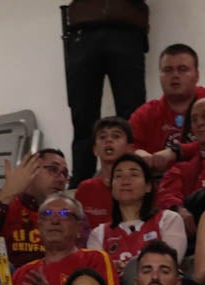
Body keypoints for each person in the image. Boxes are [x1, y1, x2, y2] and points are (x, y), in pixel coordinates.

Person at [62, 1, 149, 184]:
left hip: (121, 27)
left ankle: (132, 175)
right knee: (83, 115)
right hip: (89, 29)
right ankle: (82, 184)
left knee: (133, 117)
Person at [6, 195, 121, 285]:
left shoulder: (95, 259)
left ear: (79, 227)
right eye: (47, 214)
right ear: (39, 226)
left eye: (64, 213)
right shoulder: (21, 274)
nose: (54, 220)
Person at [126, 44, 205, 171]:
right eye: (168, 70)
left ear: (197, 75)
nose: (175, 75)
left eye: (183, 69)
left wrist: (178, 151)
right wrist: (137, 154)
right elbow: (125, 145)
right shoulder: (146, 113)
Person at [0, 149, 72, 271]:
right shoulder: (5, 206)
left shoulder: (70, 214)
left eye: (65, 174)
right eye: (53, 169)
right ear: (30, 171)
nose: (61, 179)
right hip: (8, 284)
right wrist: (6, 194)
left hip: (52, 281)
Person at [87, 154, 189, 267]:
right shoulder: (98, 234)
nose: (125, 181)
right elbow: (98, 275)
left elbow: (169, 265)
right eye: (118, 176)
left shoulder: (169, 219)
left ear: (148, 186)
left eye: (134, 174)